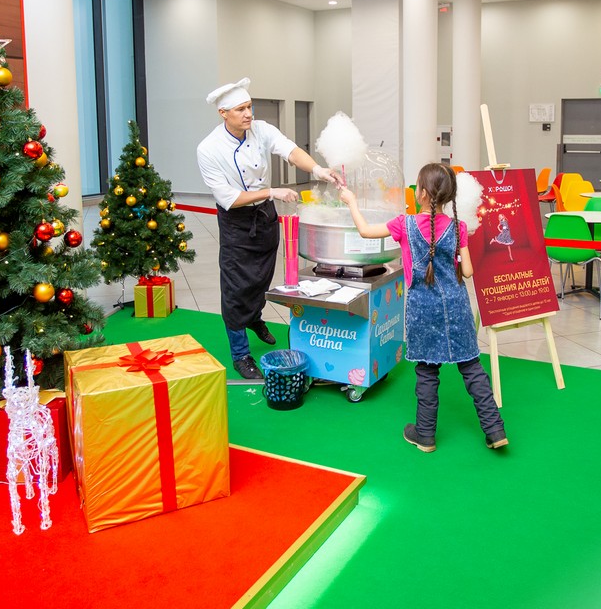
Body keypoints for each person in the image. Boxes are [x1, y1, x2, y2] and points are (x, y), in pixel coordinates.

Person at [339, 163, 507, 452]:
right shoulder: (458, 227)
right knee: (471, 367)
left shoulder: (403, 224)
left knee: (427, 371)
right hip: (456, 306)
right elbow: (467, 272)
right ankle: (495, 430)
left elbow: (365, 231)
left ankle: (425, 435)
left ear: (424, 194)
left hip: (422, 310)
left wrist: (352, 201)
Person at [196, 78, 342, 381]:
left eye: (250, 106)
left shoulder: (261, 130)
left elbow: (291, 151)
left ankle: (254, 317)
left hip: (264, 215)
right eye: (241, 109)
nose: (249, 114)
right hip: (236, 219)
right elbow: (229, 198)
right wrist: (271, 192)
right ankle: (240, 354)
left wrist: (318, 170)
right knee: (236, 285)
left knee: (261, 275)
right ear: (223, 113)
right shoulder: (208, 148)